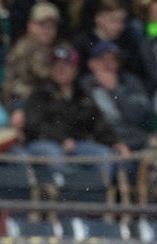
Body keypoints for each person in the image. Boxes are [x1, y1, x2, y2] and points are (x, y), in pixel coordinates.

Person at [23, 45, 127, 178]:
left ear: (75, 69)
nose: (60, 70)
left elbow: (98, 123)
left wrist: (116, 142)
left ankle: (100, 189)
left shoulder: (81, 94)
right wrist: (61, 139)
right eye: (56, 65)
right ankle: (59, 189)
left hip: (76, 145)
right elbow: (34, 124)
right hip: (44, 142)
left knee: (103, 155)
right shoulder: (40, 93)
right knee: (54, 154)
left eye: (66, 65)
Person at [81, 41, 154, 153]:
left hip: (134, 137)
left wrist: (115, 90)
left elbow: (139, 116)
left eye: (113, 60)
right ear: (91, 63)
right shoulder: (83, 86)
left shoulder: (130, 82)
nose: (109, 65)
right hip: (101, 141)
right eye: (104, 60)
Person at [5, 1, 60, 112]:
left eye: (51, 26)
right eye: (42, 25)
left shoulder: (53, 47)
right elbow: (45, 74)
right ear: (30, 25)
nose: (47, 30)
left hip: (42, 98)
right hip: (22, 100)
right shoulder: (25, 47)